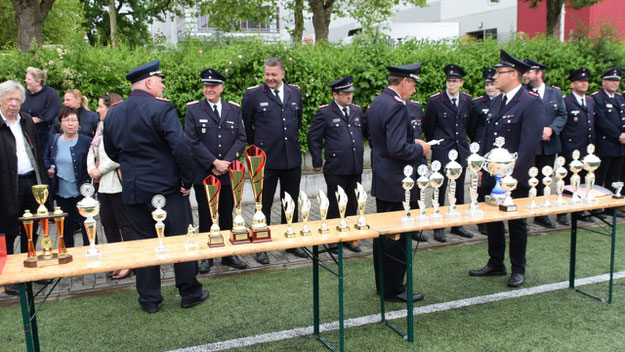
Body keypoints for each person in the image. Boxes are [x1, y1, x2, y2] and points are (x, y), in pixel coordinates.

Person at [103, 60, 207, 314]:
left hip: (134, 189)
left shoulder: (114, 111)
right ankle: (189, 292)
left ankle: (149, 300)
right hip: (167, 189)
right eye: (160, 81)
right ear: (149, 82)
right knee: (180, 240)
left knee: (143, 245)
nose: (162, 86)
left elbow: (111, 151)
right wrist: (186, 180)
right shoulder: (162, 109)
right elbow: (180, 147)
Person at [469, 50, 544, 287]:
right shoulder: (497, 101)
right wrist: (481, 167)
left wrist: (511, 179)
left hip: (514, 178)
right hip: (492, 174)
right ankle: (496, 262)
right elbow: (487, 138)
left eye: (499, 73)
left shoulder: (530, 102)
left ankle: (518, 268)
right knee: (492, 219)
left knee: (516, 223)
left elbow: (529, 144)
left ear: (514, 75)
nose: (494, 77)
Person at [365, 63, 431, 302]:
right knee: (398, 237)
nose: (413, 90)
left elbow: (376, 141)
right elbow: (396, 147)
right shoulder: (396, 106)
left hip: (384, 179)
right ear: (404, 81)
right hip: (399, 183)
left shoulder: (377, 102)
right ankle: (394, 288)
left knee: (383, 235)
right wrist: (419, 147)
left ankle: (383, 284)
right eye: (413, 84)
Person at [242, 57, 306, 264]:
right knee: (264, 205)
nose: (269, 78)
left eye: (274, 75)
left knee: (291, 202)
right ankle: (262, 245)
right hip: (266, 161)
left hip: (291, 158)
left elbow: (298, 120)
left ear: (282, 75)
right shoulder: (253, 95)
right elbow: (246, 125)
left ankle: (291, 241)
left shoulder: (294, 92)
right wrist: (259, 148)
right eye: (267, 74)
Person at [185, 68, 248, 273]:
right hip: (204, 173)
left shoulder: (234, 109)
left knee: (227, 215)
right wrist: (213, 162)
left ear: (221, 87)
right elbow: (191, 141)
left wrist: (226, 162)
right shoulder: (193, 110)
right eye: (205, 86)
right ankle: (207, 256)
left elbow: (241, 138)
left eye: (212, 86)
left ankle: (229, 255)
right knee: (206, 215)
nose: (208, 89)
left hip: (228, 173)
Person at [0, 80, 48, 296]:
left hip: (31, 181)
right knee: (8, 231)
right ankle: (9, 277)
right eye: (9, 99)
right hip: (6, 185)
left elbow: (37, 151)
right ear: (1, 100)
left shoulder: (26, 120)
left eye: (17, 100)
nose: (13, 104)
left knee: (31, 227)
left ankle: (29, 266)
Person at [307, 75, 363, 253]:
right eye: (345, 93)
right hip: (336, 166)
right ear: (335, 95)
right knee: (336, 202)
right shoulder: (325, 112)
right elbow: (313, 137)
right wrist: (317, 160)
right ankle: (332, 236)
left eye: (350, 93)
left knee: (354, 202)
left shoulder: (357, 111)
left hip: (355, 165)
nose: (349, 96)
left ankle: (350, 237)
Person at [423, 64, 474, 242]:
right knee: (440, 189)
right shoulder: (436, 101)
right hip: (443, 151)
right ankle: (439, 226)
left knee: (459, 189)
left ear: (461, 83)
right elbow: (428, 127)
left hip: (460, 151)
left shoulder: (468, 101)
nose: (450, 84)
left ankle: (457, 224)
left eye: (454, 81)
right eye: (448, 81)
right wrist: (438, 145)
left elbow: (469, 126)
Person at [87, 92, 134, 280]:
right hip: (103, 186)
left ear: (111, 107)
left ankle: (130, 263)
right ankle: (116, 261)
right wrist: (91, 167)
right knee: (108, 225)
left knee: (125, 226)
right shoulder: (100, 127)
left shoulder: (124, 126)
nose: (97, 110)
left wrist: (100, 170)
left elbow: (121, 154)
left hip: (119, 184)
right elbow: (92, 149)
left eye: (100, 106)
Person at [523, 59, 567, 228]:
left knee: (545, 180)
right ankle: (525, 215)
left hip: (549, 145)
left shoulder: (555, 93)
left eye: (528, 72)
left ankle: (542, 214)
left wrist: (551, 129)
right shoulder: (523, 93)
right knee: (528, 180)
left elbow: (562, 115)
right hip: (530, 146)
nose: (525, 75)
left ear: (539, 73)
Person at [44, 106, 92, 248]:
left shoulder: (86, 141)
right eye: (66, 120)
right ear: (60, 123)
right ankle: (68, 252)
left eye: (74, 120)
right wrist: (50, 168)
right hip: (61, 191)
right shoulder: (53, 140)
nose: (70, 124)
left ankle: (90, 250)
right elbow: (45, 158)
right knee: (66, 226)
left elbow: (92, 162)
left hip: (82, 191)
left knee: (87, 224)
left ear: (78, 123)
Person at [560, 67, 596, 224]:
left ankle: (580, 210)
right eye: (581, 81)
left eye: (586, 81)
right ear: (572, 84)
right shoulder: (566, 101)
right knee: (568, 180)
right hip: (570, 148)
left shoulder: (590, 101)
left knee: (582, 180)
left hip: (587, 147)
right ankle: (563, 212)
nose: (584, 84)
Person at [470, 67, 500, 235]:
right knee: (481, 186)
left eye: (493, 84)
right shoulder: (477, 103)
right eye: (487, 84)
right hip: (482, 149)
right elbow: (472, 128)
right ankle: (483, 222)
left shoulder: (503, 101)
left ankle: (496, 218)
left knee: (498, 183)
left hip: (497, 151)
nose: (490, 87)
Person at [591, 67, 625, 219]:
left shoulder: (619, 98)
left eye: (617, 80)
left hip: (620, 145)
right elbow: (602, 121)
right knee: (600, 177)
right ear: (604, 81)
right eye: (611, 80)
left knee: (614, 177)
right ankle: (597, 208)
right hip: (606, 143)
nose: (614, 83)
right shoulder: (597, 98)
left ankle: (610, 207)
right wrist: (618, 135)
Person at [21, 67, 62, 155]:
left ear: (38, 82)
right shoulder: (23, 94)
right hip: (23, 133)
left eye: (28, 79)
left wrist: (37, 119)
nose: (25, 80)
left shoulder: (51, 94)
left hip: (42, 137)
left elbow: (53, 113)